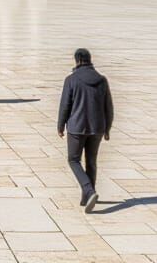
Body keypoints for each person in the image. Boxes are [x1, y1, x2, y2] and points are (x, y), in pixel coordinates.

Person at [57, 48, 114, 213]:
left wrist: (60, 125)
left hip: (77, 127)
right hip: (97, 127)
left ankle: (89, 190)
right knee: (91, 161)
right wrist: (107, 128)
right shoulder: (102, 80)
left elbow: (65, 105)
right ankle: (87, 197)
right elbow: (108, 107)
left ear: (77, 61)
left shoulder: (71, 80)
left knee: (73, 160)